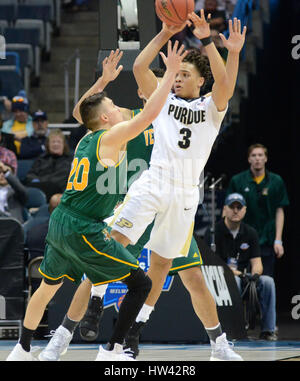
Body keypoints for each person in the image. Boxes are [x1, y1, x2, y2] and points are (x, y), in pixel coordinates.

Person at [39, 70, 242, 362]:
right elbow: (83, 112)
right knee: (99, 266)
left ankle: (218, 343)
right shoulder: (127, 117)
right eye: (156, 85)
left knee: (194, 276)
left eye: (166, 85)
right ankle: (61, 337)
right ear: (143, 92)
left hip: (172, 203)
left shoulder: (181, 114)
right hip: (136, 202)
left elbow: (219, 93)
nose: (162, 89)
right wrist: (103, 81)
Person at [6, 43, 188, 361]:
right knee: (140, 284)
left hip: (62, 220)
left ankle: (20, 350)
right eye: (114, 105)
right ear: (106, 117)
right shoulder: (113, 134)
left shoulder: (88, 136)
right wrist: (170, 72)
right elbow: (149, 114)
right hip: (84, 226)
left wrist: (103, 82)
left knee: (47, 287)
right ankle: (112, 350)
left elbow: (82, 112)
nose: (119, 107)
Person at [109, 7, 246, 351]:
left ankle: (136, 330)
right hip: (155, 181)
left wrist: (215, 44)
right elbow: (140, 67)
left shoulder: (211, 109)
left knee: (162, 264)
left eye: (185, 74)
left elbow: (225, 85)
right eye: (177, 74)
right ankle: (96, 309)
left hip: (186, 192)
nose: (179, 78)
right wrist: (165, 33)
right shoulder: (162, 99)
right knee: (114, 241)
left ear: (201, 81)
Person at [204, 193, 277, 340]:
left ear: (245, 210)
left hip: (245, 277)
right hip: (223, 279)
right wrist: (236, 274)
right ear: (224, 209)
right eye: (232, 207)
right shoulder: (213, 232)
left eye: (239, 207)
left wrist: (254, 275)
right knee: (234, 281)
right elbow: (212, 265)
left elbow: (257, 264)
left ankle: (268, 330)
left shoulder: (250, 232)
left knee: (268, 282)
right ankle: (234, 329)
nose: (235, 211)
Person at [226, 143, 289, 277]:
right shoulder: (237, 180)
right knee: (240, 279)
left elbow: (279, 210)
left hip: (266, 240)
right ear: (249, 159)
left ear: (266, 158)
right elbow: (228, 210)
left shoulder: (276, 181)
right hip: (242, 240)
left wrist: (278, 240)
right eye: (253, 155)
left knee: (265, 281)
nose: (257, 158)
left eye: (260, 155)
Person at [24, 129, 73, 201]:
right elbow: (30, 175)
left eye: (59, 142)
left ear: (64, 145)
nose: (56, 144)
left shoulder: (70, 160)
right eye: (53, 142)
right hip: (40, 189)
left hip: (59, 193)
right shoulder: (41, 159)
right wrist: (36, 181)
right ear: (48, 144)